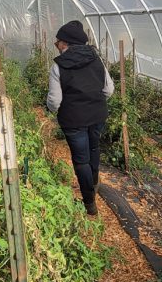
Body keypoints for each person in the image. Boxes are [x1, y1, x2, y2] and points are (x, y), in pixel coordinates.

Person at [47, 20, 114, 215]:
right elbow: (109, 89)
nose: (57, 45)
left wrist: (51, 110)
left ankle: (89, 203)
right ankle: (93, 184)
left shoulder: (59, 67)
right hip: (97, 115)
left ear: (65, 43)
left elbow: (55, 101)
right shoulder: (96, 59)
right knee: (94, 148)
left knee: (81, 160)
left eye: (58, 42)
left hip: (73, 120)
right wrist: (94, 100)